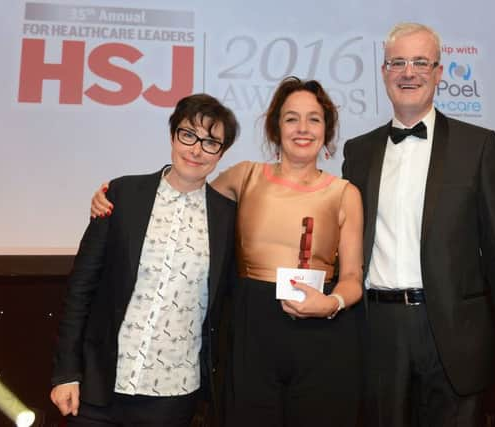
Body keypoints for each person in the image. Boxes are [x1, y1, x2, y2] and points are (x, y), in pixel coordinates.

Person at [91, 76, 365, 427]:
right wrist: (113, 194)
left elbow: (354, 277)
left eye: (314, 119)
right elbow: (182, 197)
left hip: (323, 335)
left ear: (327, 129)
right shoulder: (244, 176)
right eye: (291, 118)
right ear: (274, 127)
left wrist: (330, 304)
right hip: (248, 330)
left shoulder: (345, 192)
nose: (303, 128)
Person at [342, 22, 495, 427]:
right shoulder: (357, 152)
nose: (408, 72)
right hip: (378, 332)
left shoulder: (478, 145)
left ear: (438, 71)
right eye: (397, 62)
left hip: (454, 333)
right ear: (383, 72)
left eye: (420, 62)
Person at [50, 94, 239, 427]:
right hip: (98, 385)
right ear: (172, 136)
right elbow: (80, 289)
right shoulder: (121, 195)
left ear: (221, 153)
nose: (196, 150)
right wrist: (66, 372)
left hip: (173, 394)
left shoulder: (228, 218)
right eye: (188, 135)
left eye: (211, 142)